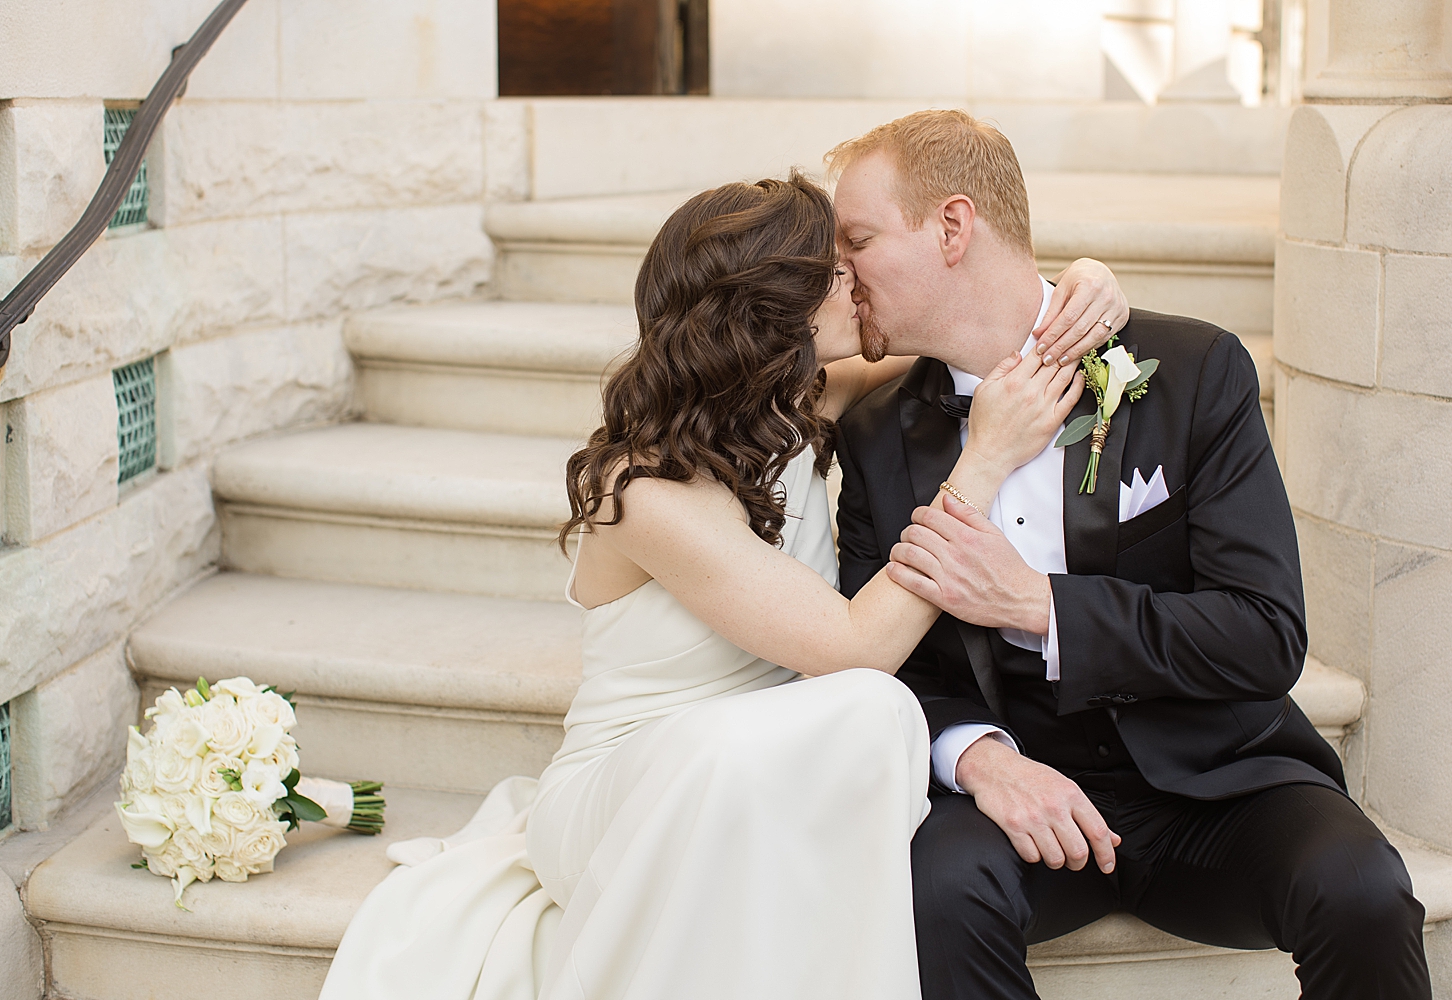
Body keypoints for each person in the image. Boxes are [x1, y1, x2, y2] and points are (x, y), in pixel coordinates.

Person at [319, 174, 1129, 1000]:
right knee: (874, 706)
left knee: (848, 726)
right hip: (631, 794)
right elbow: (859, 647)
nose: (861, 281)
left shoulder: (804, 403)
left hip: (771, 766)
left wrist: (1077, 284)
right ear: (778, 309)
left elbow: (978, 328)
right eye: (837, 269)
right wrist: (982, 463)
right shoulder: (639, 489)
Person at [830, 109, 1433, 1000]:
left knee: (1363, 889)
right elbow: (880, 670)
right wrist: (981, 758)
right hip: (1021, 791)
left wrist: (1040, 606)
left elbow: (1264, 634)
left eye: (859, 241)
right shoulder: (875, 436)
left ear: (952, 227)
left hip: (1221, 783)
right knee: (935, 890)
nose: (840, 274)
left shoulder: (1191, 370)